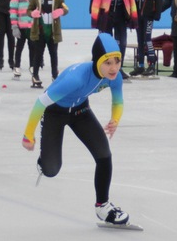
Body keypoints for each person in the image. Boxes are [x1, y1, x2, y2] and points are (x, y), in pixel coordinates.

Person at [21, 33, 130, 226]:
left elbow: (118, 100)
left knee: (104, 155)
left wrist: (115, 119)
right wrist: (28, 134)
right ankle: (44, 160)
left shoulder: (115, 77)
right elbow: (40, 102)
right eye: (108, 63)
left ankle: (103, 206)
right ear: (97, 61)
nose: (113, 68)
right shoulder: (76, 78)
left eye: (117, 61)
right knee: (51, 170)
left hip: (80, 110)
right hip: (55, 112)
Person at [90, 0, 138, 79]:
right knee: (106, 40)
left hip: (121, 14)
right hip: (107, 15)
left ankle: (118, 68)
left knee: (122, 41)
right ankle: (104, 66)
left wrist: (134, 18)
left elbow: (132, 2)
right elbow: (96, 2)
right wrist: (95, 19)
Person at [28, 0, 68, 87]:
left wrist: (61, 11)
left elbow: (66, 8)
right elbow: (28, 10)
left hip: (53, 32)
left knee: (53, 53)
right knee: (38, 54)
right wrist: (33, 13)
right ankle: (35, 75)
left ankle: (55, 75)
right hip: (40, 31)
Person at [129, 0, 164, 77]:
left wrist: (157, 13)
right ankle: (140, 65)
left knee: (147, 38)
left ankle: (151, 64)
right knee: (140, 40)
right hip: (137, 16)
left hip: (148, 15)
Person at [9, 0, 37, 77]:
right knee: (19, 47)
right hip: (21, 27)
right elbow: (13, 11)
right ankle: (17, 66)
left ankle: (32, 65)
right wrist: (14, 26)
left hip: (33, 27)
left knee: (32, 47)